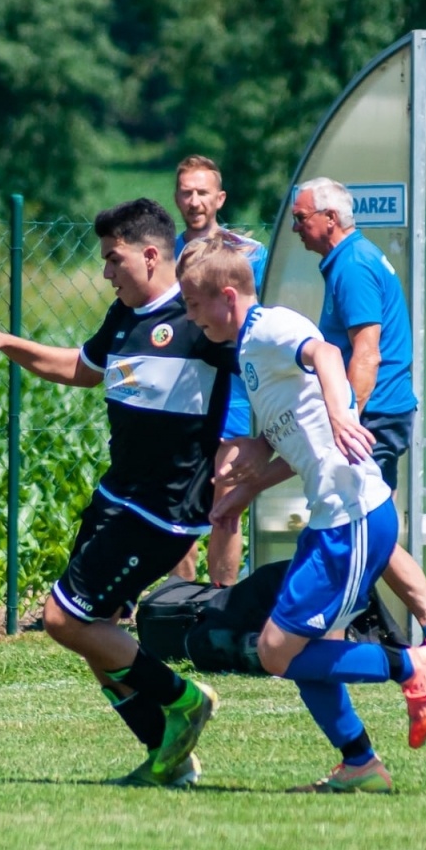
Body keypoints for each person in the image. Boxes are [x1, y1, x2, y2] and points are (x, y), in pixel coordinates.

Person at [0, 198, 231, 787]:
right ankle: (168, 757)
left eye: (114, 259)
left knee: (63, 620)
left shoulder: (200, 319)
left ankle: (183, 698)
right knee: (96, 636)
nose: (106, 272)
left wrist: (262, 452)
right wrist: (7, 342)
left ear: (151, 255)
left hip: (160, 511)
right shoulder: (124, 317)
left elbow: (265, 368)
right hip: (118, 498)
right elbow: (79, 369)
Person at [179, 239, 426, 793]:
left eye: (194, 303)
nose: (190, 315)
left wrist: (342, 411)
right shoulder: (249, 349)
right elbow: (300, 442)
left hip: (353, 517)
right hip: (331, 520)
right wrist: (247, 487)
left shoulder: (270, 327)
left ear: (227, 296)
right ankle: (359, 763)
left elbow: (325, 354)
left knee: (277, 652)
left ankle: (411, 666)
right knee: (290, 650)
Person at [283, 177, 426, 670]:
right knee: (370, 524)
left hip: (374, 416)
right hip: (379, 414)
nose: (296, 227)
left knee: (367, 524)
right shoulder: (351, 259)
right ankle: (422, 635)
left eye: (301, 218)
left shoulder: (353, 266)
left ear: (329, 219)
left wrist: (346, 419)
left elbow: (367, 353)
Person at [170, 155, 267, 586]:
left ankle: (221, 600)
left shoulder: (248, 254)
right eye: (186, 192)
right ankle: (181, 601)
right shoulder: (164, 256)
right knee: (177, 506)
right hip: (180, 396)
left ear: (220, 198)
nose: (194, 201)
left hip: (233, 396)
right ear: (176, 198)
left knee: (227, 505)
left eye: (202, 192)